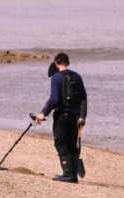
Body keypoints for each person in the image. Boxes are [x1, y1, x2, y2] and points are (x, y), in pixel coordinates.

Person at [36, 53, 87, 183]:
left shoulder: (56, 78)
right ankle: (73, 176)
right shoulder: (77, 76)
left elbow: (54, 99)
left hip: (62, 117)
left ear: (56, 63)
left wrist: (43, 114)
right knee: (73, 145)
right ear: (67, 62)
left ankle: (67, 174)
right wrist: (82, 116)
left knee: (61, 144)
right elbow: (83, 98)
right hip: (76, 118)